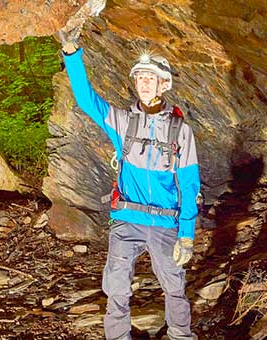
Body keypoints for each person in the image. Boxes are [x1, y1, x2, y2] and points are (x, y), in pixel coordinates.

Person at [61, 36, 200, 340]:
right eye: (140, 77)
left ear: (164, 84)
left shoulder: (181, 132)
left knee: (175, 288)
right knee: (117, 288)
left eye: (151, 78)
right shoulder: (123, 123)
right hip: (127, 220)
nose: (145, 83)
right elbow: (86, 100)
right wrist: (72, 55)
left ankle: (181, 335)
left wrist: (187, 235)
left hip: (166, 221)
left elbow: (189, 185)